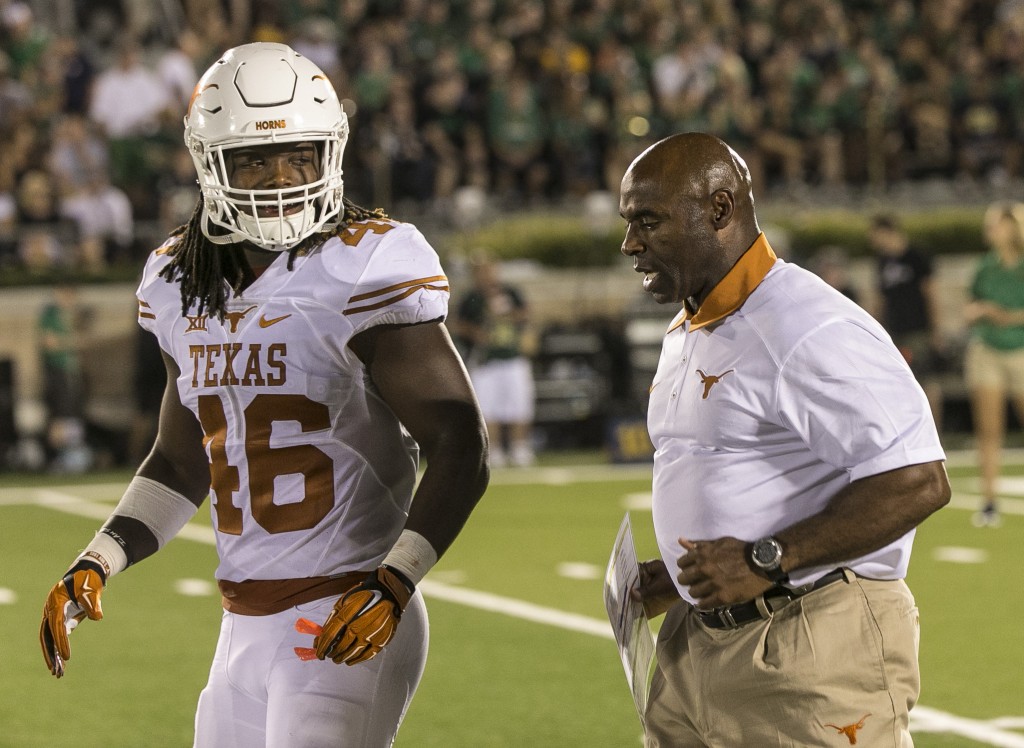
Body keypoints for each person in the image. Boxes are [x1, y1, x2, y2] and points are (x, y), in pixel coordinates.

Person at [39, 42, 489, 748]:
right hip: (241, 624)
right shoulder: (177, 279)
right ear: (209, 163)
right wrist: (99, 556)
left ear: (330, 153)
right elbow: (182, 462)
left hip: (345, 610)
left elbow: (460, 441)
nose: (282, 177)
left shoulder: (368, 262)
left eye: (300, 155)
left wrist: (395, 580)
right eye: (254, 158)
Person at [620, 132, 950, 747]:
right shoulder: (691, 322)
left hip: (807, 639)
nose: (629, 243)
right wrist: (680, 571)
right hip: (698, 645)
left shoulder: (807, 324)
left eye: (648, 222)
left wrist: (763, 558)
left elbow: (918, 481)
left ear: (719, 209)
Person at [963, 201, 1024, 528]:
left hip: (1021, 350)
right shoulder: (985, 266)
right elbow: (972, 303)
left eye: (997, 225)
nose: (991, 231)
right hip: (987, 349)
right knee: (989, 430)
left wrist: (998, 314)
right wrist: (976, 312)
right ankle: (989, 503)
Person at [455, 253, 537, 467]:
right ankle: (496, 450)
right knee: (489, 407)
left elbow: (526, 314)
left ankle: (520, 448)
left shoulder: (510, 292)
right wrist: (477, 333)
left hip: (512, 356)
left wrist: (506, 316)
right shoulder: (470, 298)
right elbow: (459, 324)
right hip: (485, 360)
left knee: (519, 404)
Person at [869, 212, 945, 431]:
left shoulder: (917, 256)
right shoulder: (882, 261)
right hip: (894, 332)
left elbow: (931, 294)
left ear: (886, 231)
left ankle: (934, 432)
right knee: (898, 384)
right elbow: (879, 299)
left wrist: (935, 330)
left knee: (927, 381)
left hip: (918, 329)